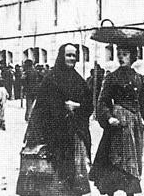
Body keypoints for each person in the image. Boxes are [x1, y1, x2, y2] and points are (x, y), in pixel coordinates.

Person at [16, 44, 93, 196]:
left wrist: (77, 106)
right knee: (52, 180)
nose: (71, 58)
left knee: (73, 180)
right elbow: (43, 107)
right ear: (61, 56)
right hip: (53, 136)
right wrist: (62, 107)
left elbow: (89, 105)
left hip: (73, 136)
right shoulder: (51, 79)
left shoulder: (78, 80)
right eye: (68, 55)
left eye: (73, 55)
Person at [89, 45, 144, 196]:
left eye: (125, 54)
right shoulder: (111, 77)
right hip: (117, 125)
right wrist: (108, 117)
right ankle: (111, 192)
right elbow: (103, 102)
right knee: (115, 159)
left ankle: (130, 192)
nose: (121, 57)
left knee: (132, 160)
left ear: (133, 57)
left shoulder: (138, 78)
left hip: (134, 125)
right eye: (119, 54)